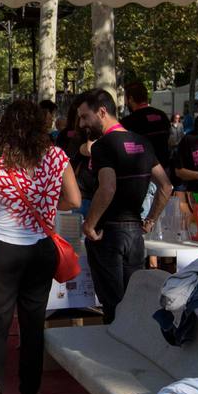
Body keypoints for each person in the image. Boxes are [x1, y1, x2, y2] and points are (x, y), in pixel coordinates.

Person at [0, 100, 81, 394]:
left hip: (3, 250)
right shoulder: (58, 158)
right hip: (40, 249)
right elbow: (73, 199)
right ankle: (30, 391)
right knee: (33, 324)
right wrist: (48, 207)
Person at [76, 89, 173, 322]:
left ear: (102, 112)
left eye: (85, 117)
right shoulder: (142, 142)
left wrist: (90, 224)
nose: (81, 124)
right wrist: (150, 220)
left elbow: (107, 188)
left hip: (108, 233)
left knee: (114, 307)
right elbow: (166, 186)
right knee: (134, 303)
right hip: (134, 233)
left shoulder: (103, 146)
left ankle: (112, 356)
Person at [120, 82, 172, 171]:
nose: (125, 102)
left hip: (141, 173)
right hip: (164, 169)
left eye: (125, 98)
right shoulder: (162, 115)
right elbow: (170, 140)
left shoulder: (128, 122)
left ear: (131, 99)